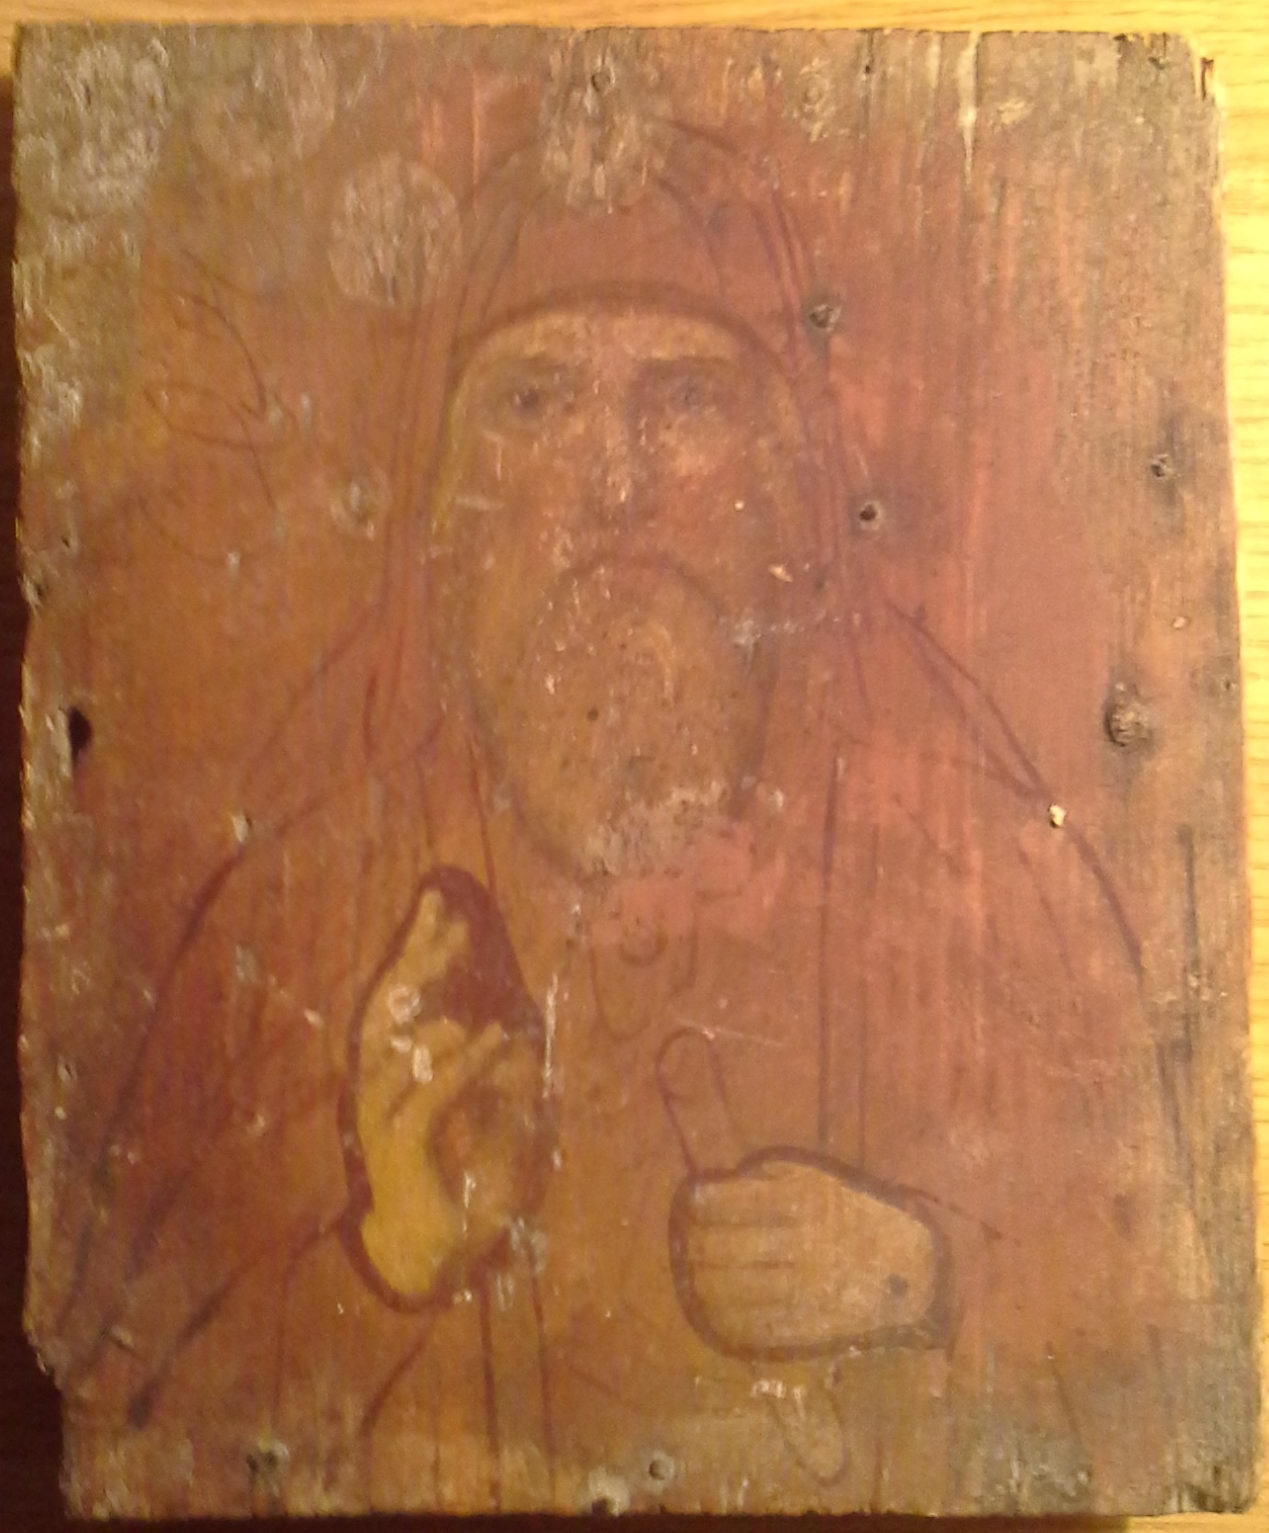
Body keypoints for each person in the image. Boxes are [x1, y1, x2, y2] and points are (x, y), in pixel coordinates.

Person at [51, 55, 1215, 1517]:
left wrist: (919, 1278)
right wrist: (382, 1260)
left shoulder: (993, 890)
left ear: (788, 487)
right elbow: (121, 1418)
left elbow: (1167, 1361)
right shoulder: (286, 912)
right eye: (534, 402)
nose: (610, 485)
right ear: (445, 498)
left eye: (683, 400)